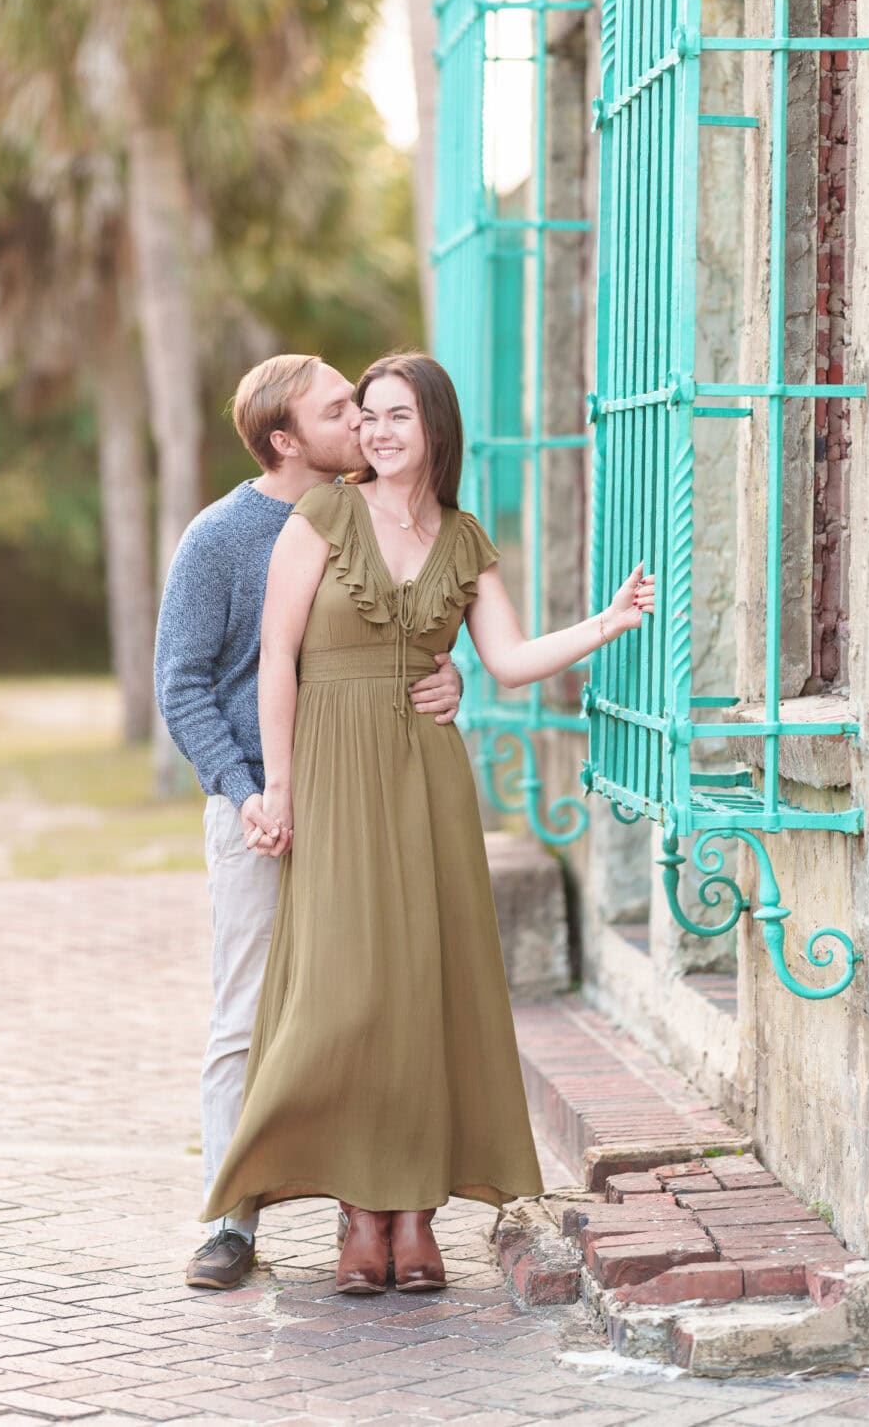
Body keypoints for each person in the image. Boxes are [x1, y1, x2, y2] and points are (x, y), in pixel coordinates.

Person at [201, 352, 655, 1293]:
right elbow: (275, 659)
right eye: (366, 416)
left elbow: (513, 659)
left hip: (428, 778)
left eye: (396, 415)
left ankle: (414, 1216)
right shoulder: (321, 516)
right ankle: (355, 1211)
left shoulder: (465, 538)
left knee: (422, 987)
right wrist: (277, 787)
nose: (376, 431)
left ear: (435, 428)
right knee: (345, 989)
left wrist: (607, 624)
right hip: (329, 772)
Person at [154, 354, 463, 1291]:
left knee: (363, 1001)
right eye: (340, 410)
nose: (361, 421)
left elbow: (415, 620)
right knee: (249, 1010)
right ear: (288, 440)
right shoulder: (220, 538)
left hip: (360, 797)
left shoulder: (377, 512)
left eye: (367, 406)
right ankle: (230, 1221)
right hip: (260, 805)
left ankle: (362, 1214)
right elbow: (184, 683)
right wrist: (247, 789)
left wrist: (453, 680)